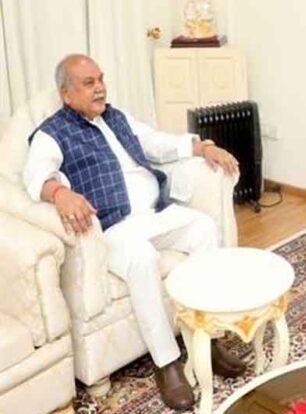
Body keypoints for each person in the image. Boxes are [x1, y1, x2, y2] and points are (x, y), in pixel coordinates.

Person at [23, 54, 245, 410]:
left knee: (203, 228)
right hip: (114, 228)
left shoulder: (116, 116)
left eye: (101, 79)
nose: (100, 88)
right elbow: (35, 176)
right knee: (142, 258)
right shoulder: (52, 133)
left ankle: (208, 339)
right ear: (66, 93)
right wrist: (60, 193)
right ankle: (166, 363)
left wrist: (203, 147)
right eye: (89, 83)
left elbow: (156, 142)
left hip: (152, 215)